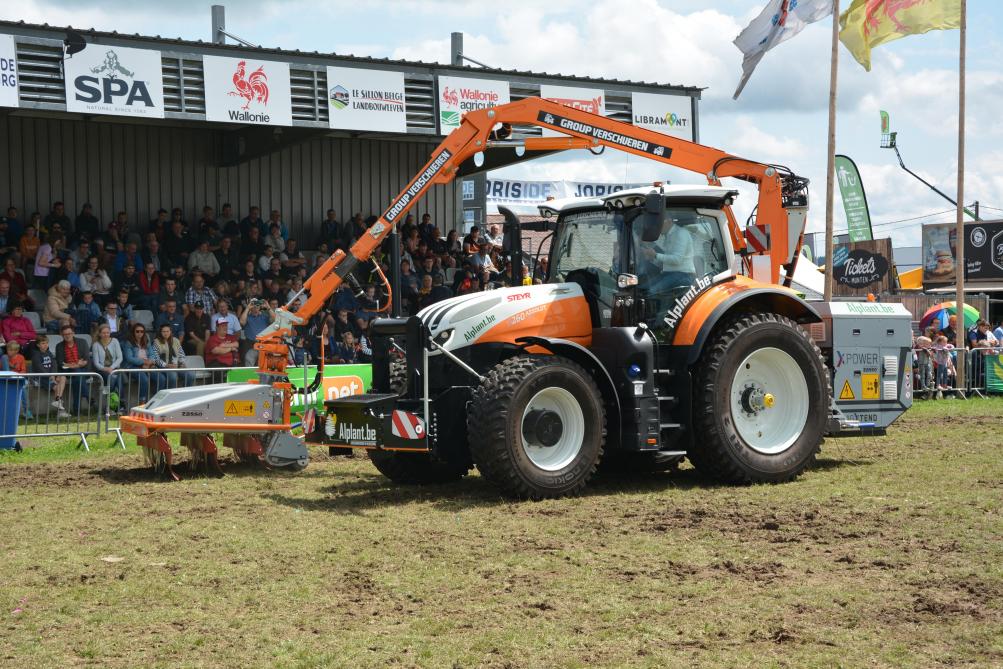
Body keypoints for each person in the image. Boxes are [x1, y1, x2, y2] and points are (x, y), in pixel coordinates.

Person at [55, 324, 91, 413]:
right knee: (77, 374)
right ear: (62, 335)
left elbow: (86, 358)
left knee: (77, 378)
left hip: (83, 369)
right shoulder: (59, 346)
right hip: (68, 371)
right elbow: (60, 363)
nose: (67, 336)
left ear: (73, 333)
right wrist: (75, 365)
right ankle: (87, 396)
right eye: (65, 334)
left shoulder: (82, 342)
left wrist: (77, 365)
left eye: (69, 333)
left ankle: (76, 409)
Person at [30, 336, 68, 418]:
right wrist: (50, 376)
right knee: (57, 387)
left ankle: (57, 401)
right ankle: (60, 411)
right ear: (38, 345)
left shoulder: (49, 353)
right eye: (43, 343)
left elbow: (54, 364)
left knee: (63, 377)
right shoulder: (35, 355)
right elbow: (39, 368)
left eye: (46, 343)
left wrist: (54, 375)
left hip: (51, 376)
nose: (45, 345)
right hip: (42, 377)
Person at [150, 323, 191, 390]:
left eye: (167, 331)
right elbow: (156, 358)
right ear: (160, 332)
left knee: (190, 375)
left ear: (170, 332)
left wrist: (181, 363)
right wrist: (166, 365)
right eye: (163, 331)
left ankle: (184, 393)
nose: (166, 333)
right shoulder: (156, 342)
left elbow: (181, 354)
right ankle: (171, 397)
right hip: (163, 366)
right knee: (173, 376)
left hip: (176, 366)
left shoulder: (176, 340)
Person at [121, 323, 155, 404]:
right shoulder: (128, 342)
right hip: (132, 366)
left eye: (142, 331)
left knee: (161, 378)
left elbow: (152, 354)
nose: (140, 333)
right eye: (137, 331)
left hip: (147, 365)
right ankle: (142, 401)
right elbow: (129, 358)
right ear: (133, 332)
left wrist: (149, 362)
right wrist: (143, 362)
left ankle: (155, 401)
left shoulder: (146, 340)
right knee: (144, 379)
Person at [91, 323, 123, 402]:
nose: (106, 334)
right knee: (112, 378)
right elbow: (96, 362)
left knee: (118, 381)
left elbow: (120, 357)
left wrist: (111, 368)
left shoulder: (115, 341)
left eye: (107, 333)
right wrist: (105, 369)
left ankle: (120, 403)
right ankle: (111, 404)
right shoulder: (96, 345)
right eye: (103, 333)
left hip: (114, 368)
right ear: (100, 334)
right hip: (102, 369)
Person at [3, 340, 32, 419]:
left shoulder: (21, 357)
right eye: (9, 350)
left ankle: (27, 411)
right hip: (8, 379)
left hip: (19, 379)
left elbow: (23, 371)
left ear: (17, 351)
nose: (10, 352)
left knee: (23, 390)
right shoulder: (5, 358)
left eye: (12, 350)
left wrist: (17, 376)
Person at [240, 298, 273, 365]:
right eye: (253, 305)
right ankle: (250, 375)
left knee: (266, 364)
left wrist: (268, 307)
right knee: (249, 361)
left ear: (260, 306)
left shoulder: (264, 316)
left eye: (257, 305)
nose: (255, 307)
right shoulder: (247, 317)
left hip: (264, 344)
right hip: (251, 345)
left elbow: (275, 320)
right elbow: (242, 322)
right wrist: (247, 308)